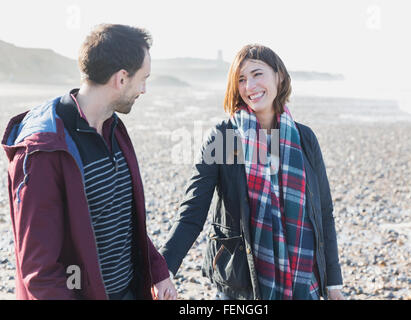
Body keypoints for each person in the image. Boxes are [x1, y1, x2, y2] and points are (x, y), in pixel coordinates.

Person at [2, 24, 177, 300]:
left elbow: (123, 217)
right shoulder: (43, 151)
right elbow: (40, 272)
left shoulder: (113, 128)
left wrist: (158, 270)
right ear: (121, 78)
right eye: (143, 79)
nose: (143, 89)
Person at [161, 44, 344, 300]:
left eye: (257, 74)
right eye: (241, 80)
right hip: (240, 283)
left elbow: (323, 212)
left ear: (279, 76)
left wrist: (333, 281)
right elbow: (194, 209)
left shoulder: (304, 138)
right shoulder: (224, 137)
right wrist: (164, 268)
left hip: (303, 279)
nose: (249, 87)